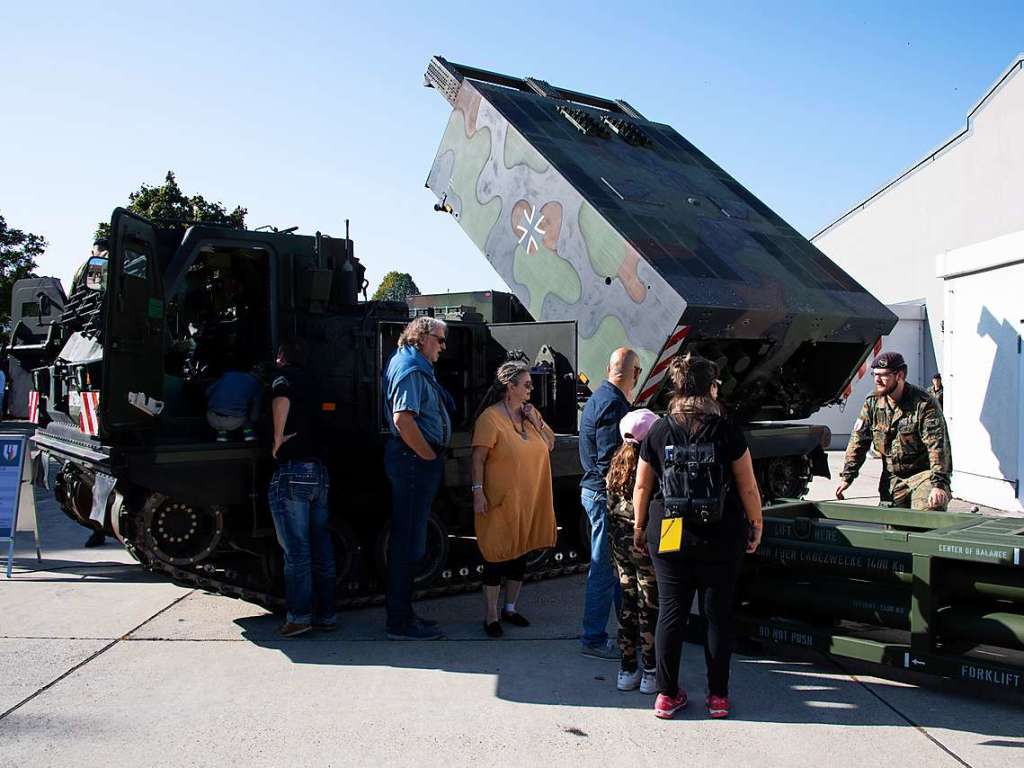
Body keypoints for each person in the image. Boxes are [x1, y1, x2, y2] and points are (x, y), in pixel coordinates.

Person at [632, 354, 763, 720]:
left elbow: (642, 485)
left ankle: (666, 695)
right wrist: (756, 523)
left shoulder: (658, 430)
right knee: (717, 613)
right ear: (712, 388)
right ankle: (718, 697)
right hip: (720, 529)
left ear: (674, 388)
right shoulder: (727, 430)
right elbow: (748, 486)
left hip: (671, 525)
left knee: (671, 610)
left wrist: (640, 527)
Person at [470, 359, 557, 637]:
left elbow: (550, 443)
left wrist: (536, 420)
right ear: (511, 387)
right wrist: (478, 491)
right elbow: (478, 458)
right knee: (496, 556)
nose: (532, 388)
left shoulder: (530, 414)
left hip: (528, 499)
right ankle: (491, 616)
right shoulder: (490, 418)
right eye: (527, 384)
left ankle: (510, 608)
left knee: (520, 555)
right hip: (500, 500)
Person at [382, 317, 454, 640]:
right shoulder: (411, 370)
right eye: (439, 339)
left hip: (413, 461)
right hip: (413, 462)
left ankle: (405, 615)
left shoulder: (414, 365)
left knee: (410, 541)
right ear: (422, 337)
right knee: (407, 543)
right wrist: (427, 455)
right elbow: (403, 420)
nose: (442, 346)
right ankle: (399, 623)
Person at [268, 337, 335, 638]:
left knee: (297, 552)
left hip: (294, 470)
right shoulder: (316, 380)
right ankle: (327, 614)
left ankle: (298, 616)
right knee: (321, 548)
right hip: (319, 472)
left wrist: (278, 437)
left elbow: (281, 396)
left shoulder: (284, 377)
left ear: (281, 356)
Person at [578, 347, 642, 660]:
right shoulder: (613, 405)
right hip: (603, 495)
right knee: (604, 569)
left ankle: (628, 631)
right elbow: (608, 460)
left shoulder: (601, 396)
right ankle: (592, 638)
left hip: (596, 492)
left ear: (608, 368)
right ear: (636, 374)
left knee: (617, 568)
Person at [836, 352, 952, 511]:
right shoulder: (873, 403)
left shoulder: (923, 403)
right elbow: (858, 441)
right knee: (891, 530)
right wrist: (847, 477)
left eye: (883, 375)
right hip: (892, 479)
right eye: (875, 375)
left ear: (900, 375)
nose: (877, 380)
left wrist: (938, 484)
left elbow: (937, 445)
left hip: (923, 475)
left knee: (928, 514)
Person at [605, 408, 660, 693]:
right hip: (645, 545)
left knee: (627, 604)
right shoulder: (651, 466)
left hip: (620, 547)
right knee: (649, 606)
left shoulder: (616, 465)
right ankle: (651, 671)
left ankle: (627, 669)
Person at [206, 364, 262, 442]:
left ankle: (222, 434)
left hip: (211, 418)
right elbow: (254, 414)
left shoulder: (227, 376)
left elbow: (208, 392)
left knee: (224, 410)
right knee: (247, 417)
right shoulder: (255, 384)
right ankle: (249, 436)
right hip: (234, 421)